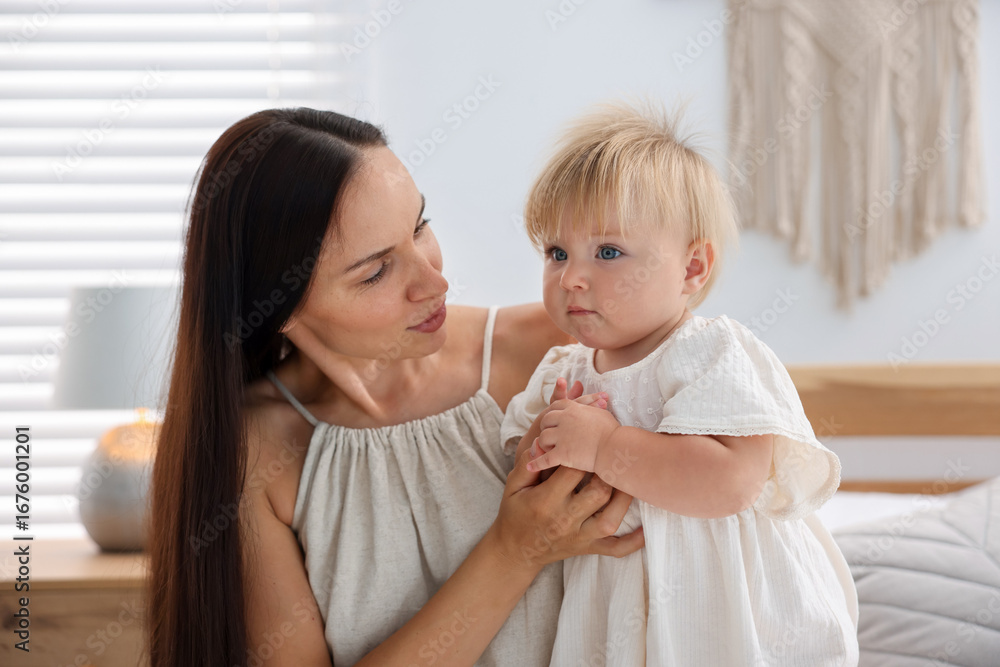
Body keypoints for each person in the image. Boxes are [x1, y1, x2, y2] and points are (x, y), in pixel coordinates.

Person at [146, 107, 645, 667]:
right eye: (375, 271)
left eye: (419, 226)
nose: (436, 281)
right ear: (277, 308)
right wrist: (515, 551)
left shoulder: (566, 350)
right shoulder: (255, 450)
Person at [500, 101, 860, 666]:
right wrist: (546, 443)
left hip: (725, 607)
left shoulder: (711, 354)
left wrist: (604, 445)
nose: (571, 277)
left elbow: (732, 482)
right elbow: (521, 479)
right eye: (557, 252)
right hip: (614, 605)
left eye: (608, 252)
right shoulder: (561, 371)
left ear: (692, 269)